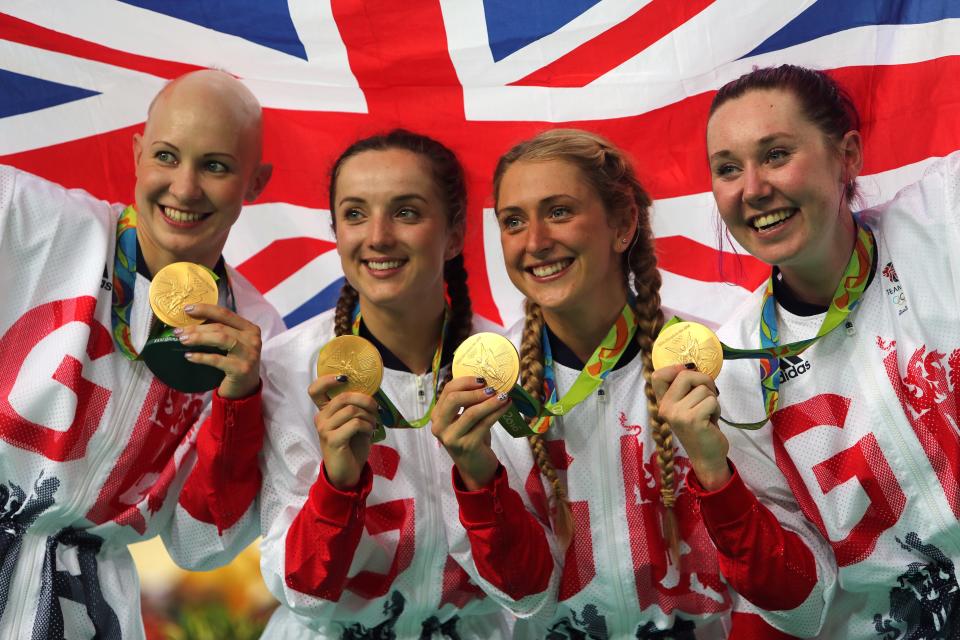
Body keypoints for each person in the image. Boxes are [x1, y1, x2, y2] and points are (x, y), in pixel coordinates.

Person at [431, 129, 795, 638]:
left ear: (622, 225)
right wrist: (477, 477)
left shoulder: (711, 364)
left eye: (559, 211)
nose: (535, 242)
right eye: (513, 221)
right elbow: (524, 596)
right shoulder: (486, 390)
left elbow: (793, 597)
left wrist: (717, 473)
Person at [653, 64, 960, 638]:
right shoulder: (733, 373)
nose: (752, 189)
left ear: (848, 156)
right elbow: (805, 605)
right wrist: (715, 476)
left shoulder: (945, 218)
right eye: (727, 169)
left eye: (775, 154)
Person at [0, 69, 283, 638]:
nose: (184, 188)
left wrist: (239, 405)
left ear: (255, 183)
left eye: (216, 166)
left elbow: (199, 545)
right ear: (136, 153)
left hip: (88, 610)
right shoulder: (30, 219)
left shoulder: (261, 341)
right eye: (167, 156)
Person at [257, 129, 552, 639]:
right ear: (335, 231)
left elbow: (529, 591)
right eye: (354, 214)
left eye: (406, 212)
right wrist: (338, 485)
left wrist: (481, 481)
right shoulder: (289, 368)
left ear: (455, 233)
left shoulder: (509, 368)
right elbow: (302, 592)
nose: (377, 236)